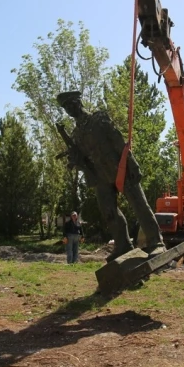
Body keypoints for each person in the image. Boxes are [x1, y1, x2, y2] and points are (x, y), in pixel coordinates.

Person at [56, 90, 164, 260]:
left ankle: (156, 243)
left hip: (119, 167)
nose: (70, 109)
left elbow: (118, 140)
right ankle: (123, 245)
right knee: (109, 212)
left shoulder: (99, 119)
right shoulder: (77, 134)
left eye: (72, 105)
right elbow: (83, 161)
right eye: (66, 108)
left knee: (139, 205)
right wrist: (75, 160)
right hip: (100, 177)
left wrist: (132, 163)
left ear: (79, 103)